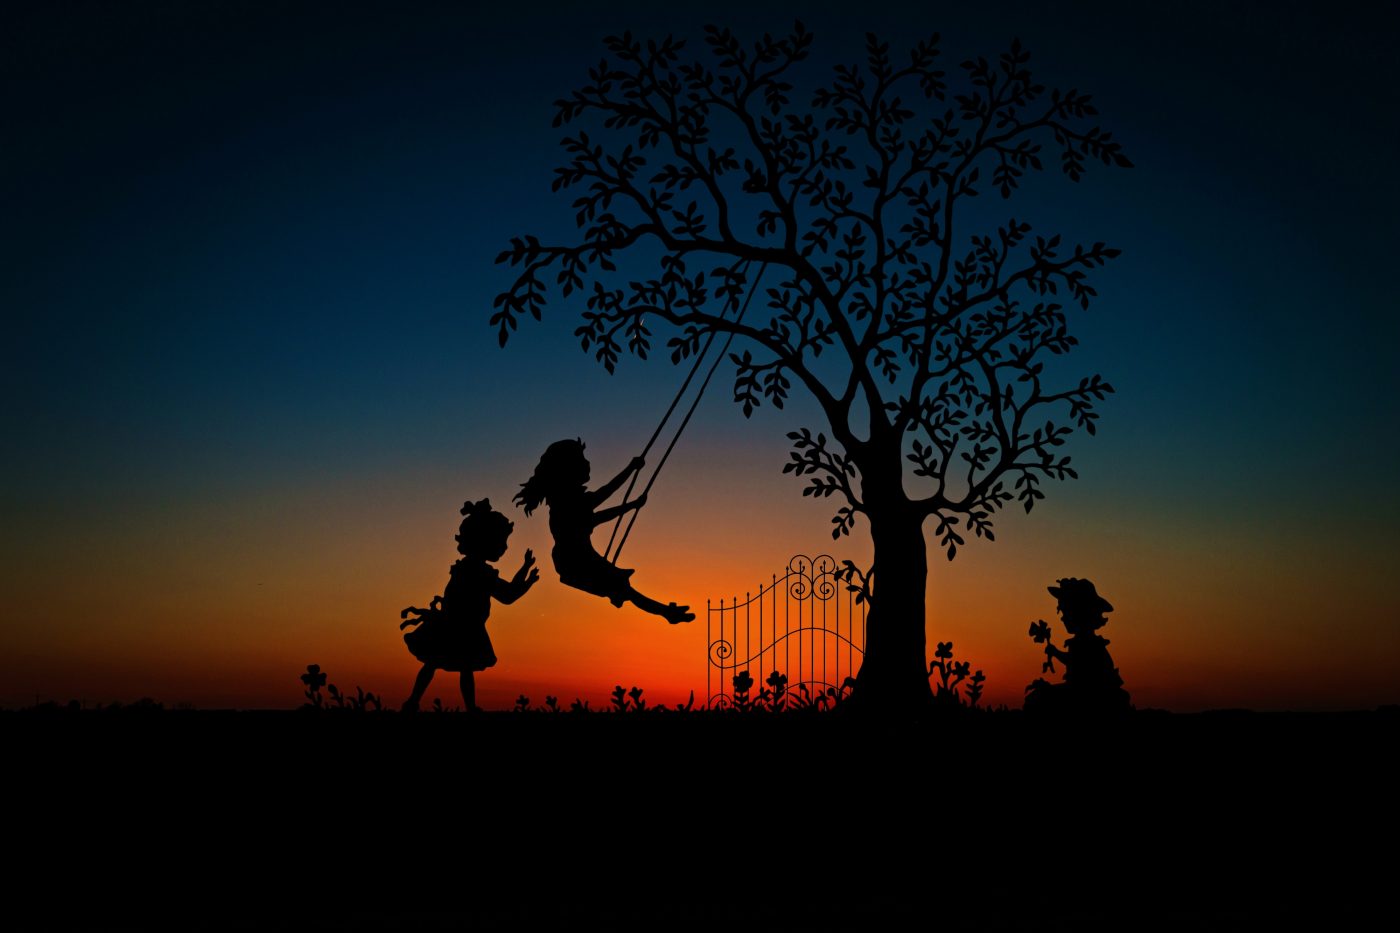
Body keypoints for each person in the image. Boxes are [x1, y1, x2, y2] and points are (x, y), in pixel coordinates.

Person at [514, 438, 694, 623]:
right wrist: (630, 472)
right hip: (576, 560)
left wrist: (630, 504)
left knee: (624, 588)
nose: (587, 463)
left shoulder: (568, 503)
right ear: (569, 469)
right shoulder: (567, 504)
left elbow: (597, 516)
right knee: (623, 588)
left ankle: (666, 612)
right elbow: (605, 495)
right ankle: (666, 613)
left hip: (577, 558)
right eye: (581, 459)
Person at [400, 498, 539, 712]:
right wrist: (527, 579)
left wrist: (524, 570)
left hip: (453, 625)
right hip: (463, 627)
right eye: (502, 542)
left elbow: (508, 591)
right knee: (456, 666)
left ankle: (416, 701)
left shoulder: (465, 568)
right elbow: (508, 595)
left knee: (438, 663)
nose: (504, 548)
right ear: (487, 542)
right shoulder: (480, 572)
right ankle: (456, 705)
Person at [1024, 577, 1132, 714]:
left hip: (1089, 691)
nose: (1062, 618)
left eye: (1066, 612)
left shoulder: (1088, 642)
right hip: (1082, 688)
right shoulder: (1083, 641)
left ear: (1080, 613)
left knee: (1038, 699)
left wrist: (1056, 652)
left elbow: (1076, 661)